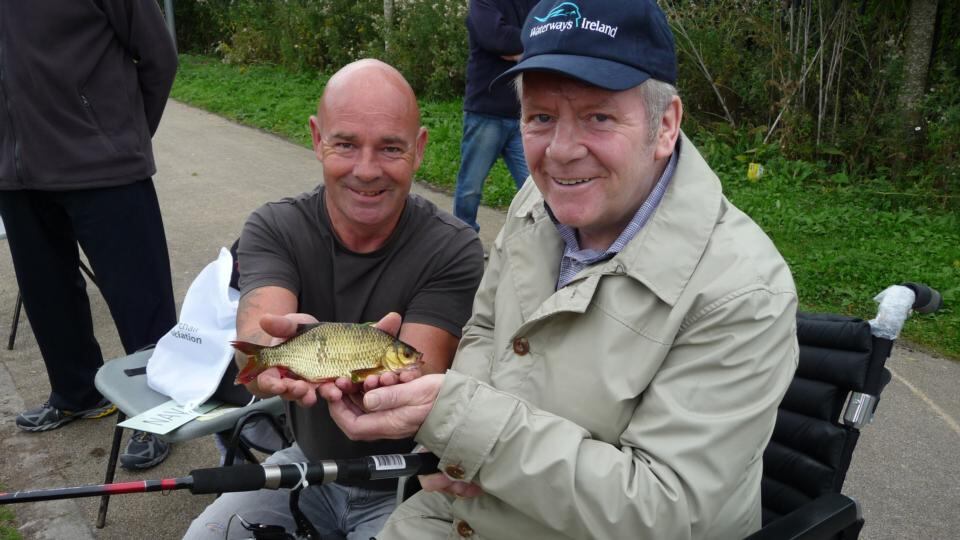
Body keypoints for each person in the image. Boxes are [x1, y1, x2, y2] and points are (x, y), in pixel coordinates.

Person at [320, 1, 800, 539]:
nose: (561, 152)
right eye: (541, 117)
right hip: (455, 514)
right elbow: (484, 330)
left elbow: (668, 512)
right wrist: (445, 444)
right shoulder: (537, 204)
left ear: (665, 125)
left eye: (598, 116)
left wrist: (459, 422)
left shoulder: (741, 292)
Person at [183, 59, 484, 540]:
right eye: (345, 144)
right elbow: (261, 333)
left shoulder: (452, 247)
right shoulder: (275, 226)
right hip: (307, 462)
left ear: (420, 148)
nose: (366, 170)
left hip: (410, 475)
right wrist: (273, 358)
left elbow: (417, 371)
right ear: (317, 138)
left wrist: (380, 382)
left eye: (390, 148)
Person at [0, 0, 179, 470]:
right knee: (47, 295)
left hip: (106, 168)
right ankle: (76, 392)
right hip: (16, 174)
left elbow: (160, 56)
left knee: (141, 302)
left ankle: (160, 409)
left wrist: (123, 138)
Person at [451, 0, 538, 233]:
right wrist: (532, 44)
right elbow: (496, 37)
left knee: (536, 188)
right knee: (471, 188)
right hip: (486, 110)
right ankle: (462, 241)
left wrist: (517, 49)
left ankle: (539, 242)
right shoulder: (484, 2)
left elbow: (551, 33)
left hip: (524, 113)